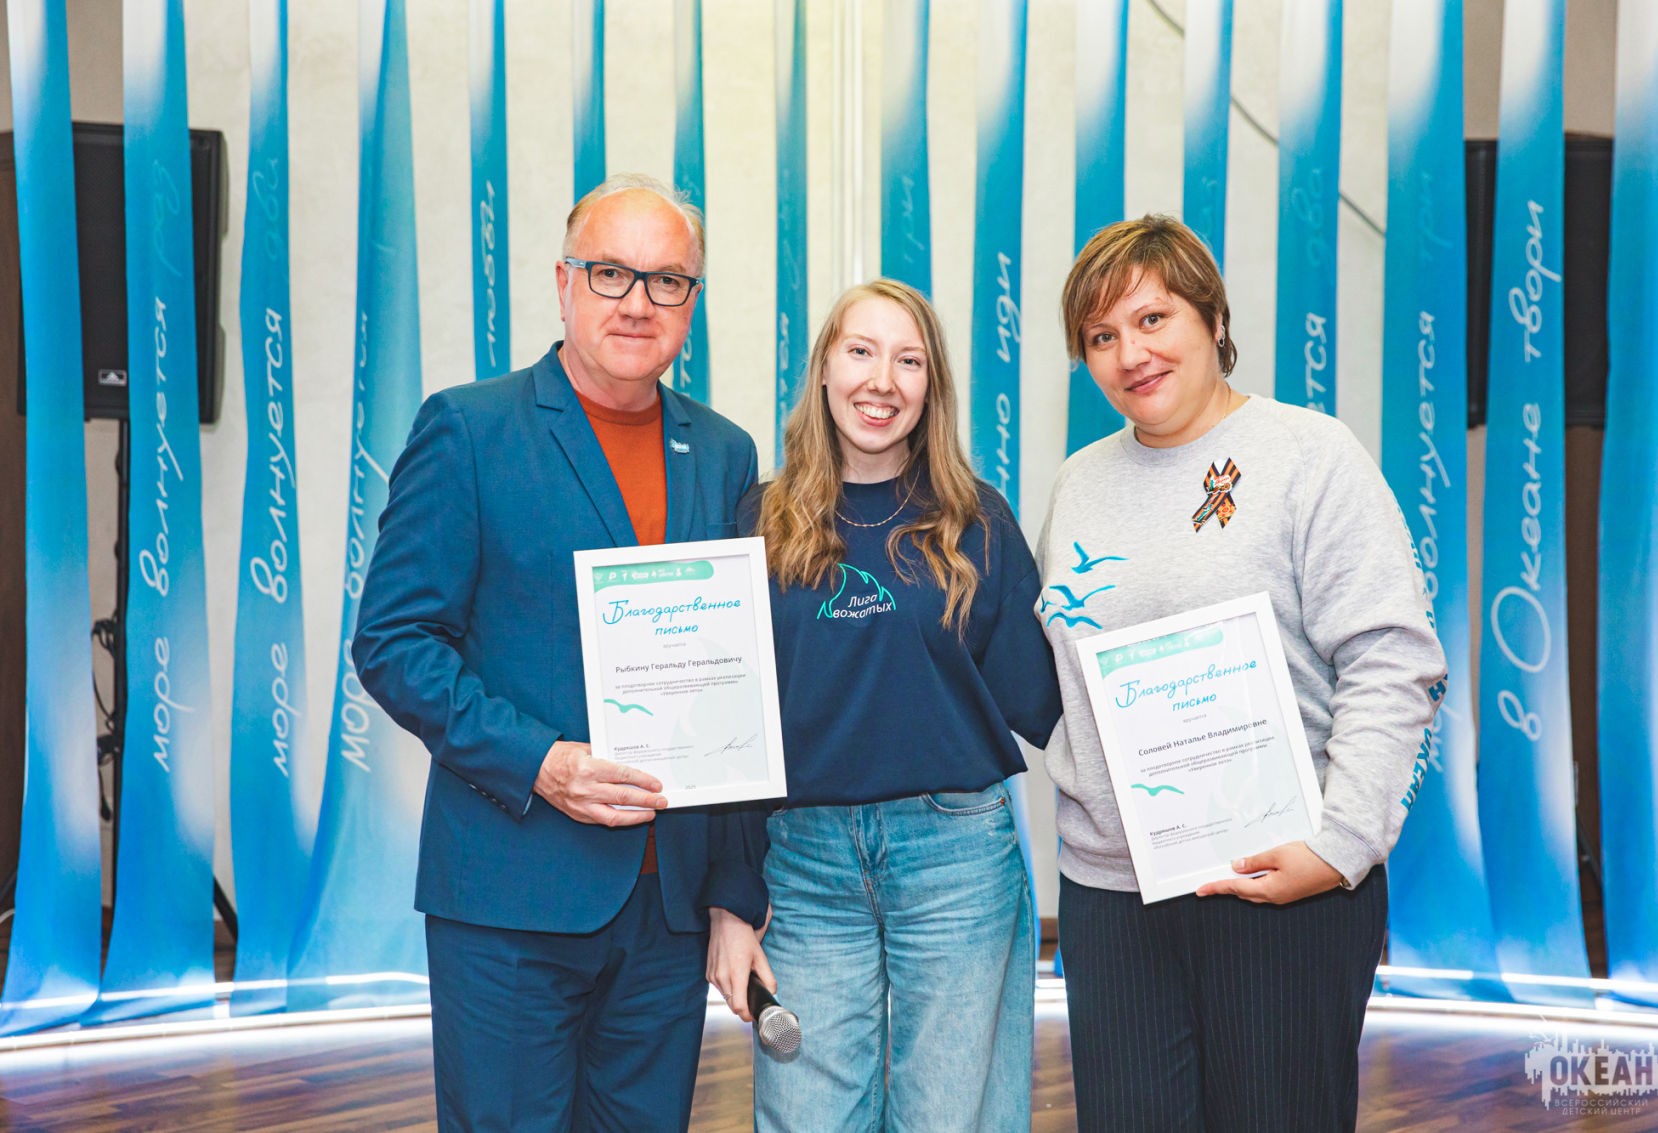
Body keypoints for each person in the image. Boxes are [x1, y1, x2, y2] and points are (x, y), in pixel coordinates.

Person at [352, 173, 765, 1132]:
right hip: (512, 892)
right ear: (563, 280)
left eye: (667, 281)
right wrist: (541, 761)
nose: (638, 301)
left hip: (669, 909)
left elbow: (739, 675)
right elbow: (394, 640)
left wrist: (733, 891)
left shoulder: (726, 452)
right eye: (611, 272)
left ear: (692, 303)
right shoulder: (469, 428)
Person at [1039, 215, 1446, 1131]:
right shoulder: (1079, 483)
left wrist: (1339, 845)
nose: (1130, 354)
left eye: (1153, 319)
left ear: (1213, 319)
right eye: (1101, 336)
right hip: (1114, 896)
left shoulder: (1310, 455)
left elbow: (1392, 660)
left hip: (1280, 884)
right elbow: (1058, 671)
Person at [706, 279, 1061, 1131]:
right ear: (825, 369)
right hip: (804, 867)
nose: (882, 380)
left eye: (909, 360)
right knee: (807, 1115)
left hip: (956, 862)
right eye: (861, 351)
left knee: (950, 1117)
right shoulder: (757, 521)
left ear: (931, 387)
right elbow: (724, 728)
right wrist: (729, 900)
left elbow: (1046, 702)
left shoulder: (977, 521)